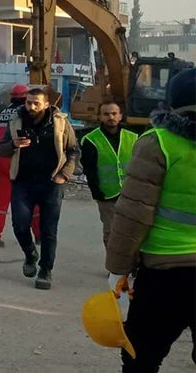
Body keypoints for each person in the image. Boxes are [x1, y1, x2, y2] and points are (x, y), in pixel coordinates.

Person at [106, 67, 195, 372]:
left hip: (165, 273)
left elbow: (133, 213)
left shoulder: (158, 142)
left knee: (140, 356)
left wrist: (117, 269)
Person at [0, 87, 79, 290]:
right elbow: (1, 149)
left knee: (49, 230)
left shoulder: (60, 123)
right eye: (28, 102)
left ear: (46, 104)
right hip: (23, 182)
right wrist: (14, 144)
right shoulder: (16, 121)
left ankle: (45, 270)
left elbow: (73, 151)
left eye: (36, 103)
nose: (31, 107)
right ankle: (30, 253)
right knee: (20, 225)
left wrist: (64, 175)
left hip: (51, 183)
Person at [0, 83, 41, 248]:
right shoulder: (25, 114)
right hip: (19, 159)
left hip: (2, 159)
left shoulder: (1, 113)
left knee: (0, 202)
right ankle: (39, 235)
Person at [81, 101, 139, 246]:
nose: (111, 117)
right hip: (107, 195)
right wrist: (97, 193)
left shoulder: (133, 137)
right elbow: (89, 170)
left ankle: (132, 265)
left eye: (114, 114)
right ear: (100, 117)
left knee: (132, 232)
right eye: (106, 114)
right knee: (111, 232)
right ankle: (115, 266)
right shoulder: (91, 140)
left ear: (120, 116)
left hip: (131, 195)